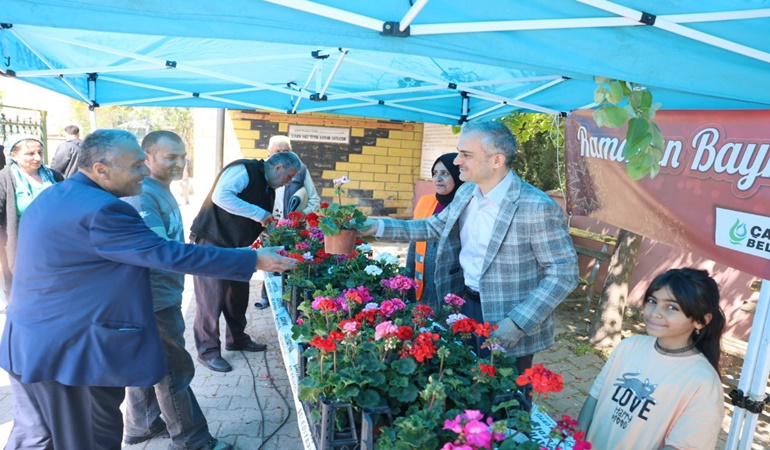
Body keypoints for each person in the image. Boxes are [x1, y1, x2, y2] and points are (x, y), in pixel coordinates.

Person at [0, 129, 296, 450]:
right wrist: (252, 259)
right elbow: (166, 253)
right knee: (89, 440)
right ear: (101, 169)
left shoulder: (57, 193)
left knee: (35, 438)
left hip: (28, 344)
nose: (145, 171)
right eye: (136, 165)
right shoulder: (104, 209)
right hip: (72, 356)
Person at [365, 120, 579, 377]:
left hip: (507, 318)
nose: (456, 161)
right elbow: (433, 228)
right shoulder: (466, 192)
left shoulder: (537, 206)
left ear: (497, 160)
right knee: (466, 383)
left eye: (466, 154)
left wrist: (518, 323)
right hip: (463, 305)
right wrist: (373, 226)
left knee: (507, 399)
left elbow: (563, 272)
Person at [121, 131, 231, 449]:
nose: (180, 163)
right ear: (148, 157)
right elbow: (162, 252)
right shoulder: (143, 196)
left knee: (148, 363)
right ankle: (192, 440)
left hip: (160, 295)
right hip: (151, 299)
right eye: (171, 157)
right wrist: (243, 260)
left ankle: (141, 425)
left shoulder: (159, 189)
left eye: (183, 156)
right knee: (173, 369)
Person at [577, 268, 726, 450]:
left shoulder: (703, 381)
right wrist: (578, 438)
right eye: (652, 301)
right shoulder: (630, 345)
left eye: (672, 307)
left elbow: (683, 446)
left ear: (701, 321)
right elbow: (596, 395)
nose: (655, 312)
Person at [190, 149, 301, 372]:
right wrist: (260, 215)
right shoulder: (244, 170)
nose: (288, 183)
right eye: (288, 177)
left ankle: (237, 339)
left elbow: (262, 218)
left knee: (237, 297)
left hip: (238, 247)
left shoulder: (270, 186)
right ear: (278, 167)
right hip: (212, 241)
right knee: (211, 299)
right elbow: (221, 196)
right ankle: (208, 351)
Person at [255, 135, 320, 310]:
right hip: (268, 226)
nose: (282, 155)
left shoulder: (301, 170)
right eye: (278, 151)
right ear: (269, 152)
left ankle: (289, 298)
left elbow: (314, 200)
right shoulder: (260, 170)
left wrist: (301, 215)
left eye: (286, 151)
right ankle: (266, 296)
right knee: (268, 260)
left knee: (292, 262)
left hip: (294, 229)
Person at [0, 134, 63, 303]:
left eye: (40, 152)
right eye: (30, 154)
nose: (37, 158)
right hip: (22, 247)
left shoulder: (54, 176)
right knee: (25, 293)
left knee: (55, 290)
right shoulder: (4, 179)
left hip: (56, 244)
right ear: (13, 155)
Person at [405, 152, 463, 307]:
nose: (438, 179)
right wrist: (408, 281)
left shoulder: (467, 206)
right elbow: (414, 244)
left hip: (453, 284)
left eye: (445, 173)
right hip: (422, 280)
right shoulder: (425, 202)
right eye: (435, 173)